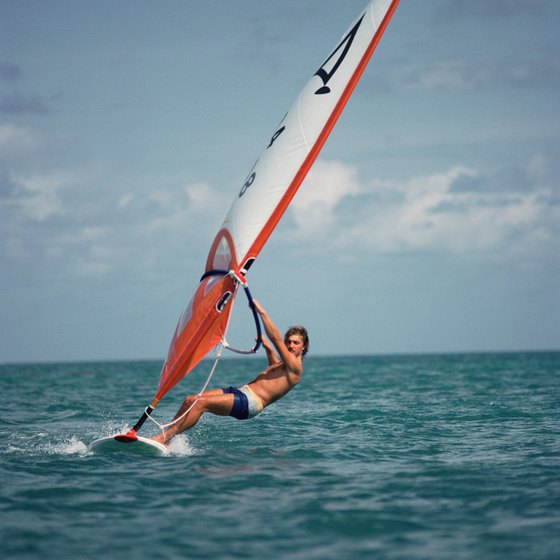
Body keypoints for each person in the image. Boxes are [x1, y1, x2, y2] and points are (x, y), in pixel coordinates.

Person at [152, 300, 309, 444]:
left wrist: (262, 312)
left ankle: (163, 438)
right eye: (289, 341)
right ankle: (166, 437)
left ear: (303, 346)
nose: (290, 345)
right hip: (241, 391)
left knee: (200, 404)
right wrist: (268, 349)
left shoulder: (296, 367)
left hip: (250, 403)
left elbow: (276, 338)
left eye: (296, 343)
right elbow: (274, 371)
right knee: (190, 400)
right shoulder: (285, 365)